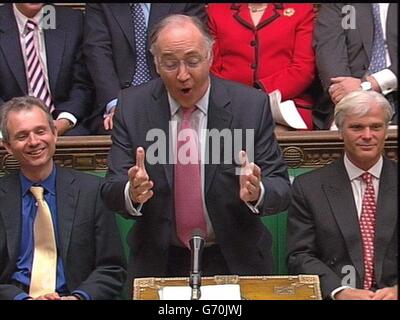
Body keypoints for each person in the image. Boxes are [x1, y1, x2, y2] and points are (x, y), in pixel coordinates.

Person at [101, 15, 291, 296]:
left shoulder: (248, 106)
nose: (182, 75)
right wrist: (132, 191)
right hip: (159, 261)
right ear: (155, 63)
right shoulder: (132, 106)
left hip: (234, 259)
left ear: (210, 56)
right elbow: (111, 189)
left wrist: (257, 192)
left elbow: (281, 188)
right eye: (170, 63)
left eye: (192, 61)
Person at [0, 96, 126, 300]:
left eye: (40, 131)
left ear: (55, 133)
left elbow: (112, 268)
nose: (34, 142)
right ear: (7, 146)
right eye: (22, 136)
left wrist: (79, 297)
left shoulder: (91, 191)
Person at [287, 90, 397, 300]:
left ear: (386, 130)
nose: (367, 135)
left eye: (376, 127)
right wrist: (340, 292)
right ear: (340, 130)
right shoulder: (309, 187)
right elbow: (300, 256)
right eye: (356, 127)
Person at [83, 3, 206, 134]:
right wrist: (116, 107)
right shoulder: (102, 5)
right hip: (117, 100)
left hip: (172, 98)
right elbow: (97, 52)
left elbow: (196, 53)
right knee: (116, 131)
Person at [207, 3, 316, 130]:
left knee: (274, 137)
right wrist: (236, 98)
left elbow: (303, 68)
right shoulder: (216, 10)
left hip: (285, 105)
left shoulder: (301, 9)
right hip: (229, 103)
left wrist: (259, 95)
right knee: (227, 137)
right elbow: (212, 69)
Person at [0, 3, 94, 136]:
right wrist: (14, 123)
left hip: (63, 121)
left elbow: (83, 84)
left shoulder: (71, 21)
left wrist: (65, 120)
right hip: (9, 123)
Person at [313, 3, 398, 129]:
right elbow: (330, 54)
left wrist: (370, 84)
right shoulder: (337, 6)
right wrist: (345, 94)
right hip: (347, 103)